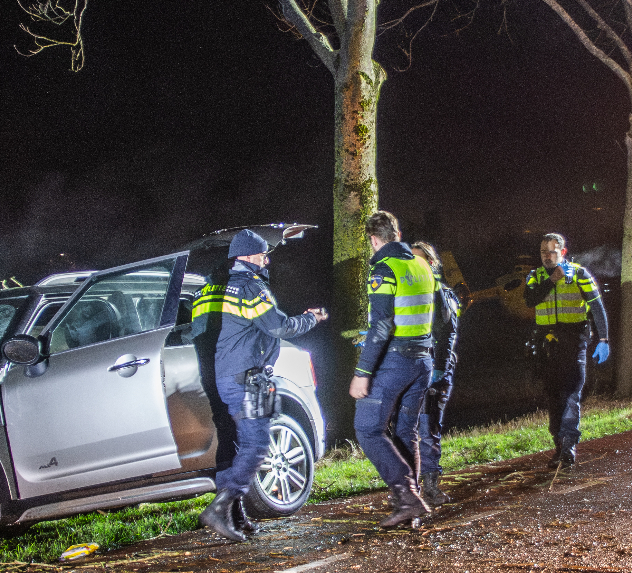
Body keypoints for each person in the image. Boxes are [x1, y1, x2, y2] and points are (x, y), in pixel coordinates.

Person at [190, 229, 328, 542]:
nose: (267, 260)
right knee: (257, 444)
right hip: (243, 378)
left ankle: (232, 516)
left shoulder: (217, 291)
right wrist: (312, 319)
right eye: (264, 254)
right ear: (251, 256)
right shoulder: (250, 287)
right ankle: (220, 508)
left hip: (226, 376)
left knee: (238, 444)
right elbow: (279, 326)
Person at [350, 211, 439, 528]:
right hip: (423, 361)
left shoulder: (384, 268)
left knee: (367, 428)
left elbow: (382, 326)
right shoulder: (421, 265)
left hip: (396, 361)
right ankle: (411, 508)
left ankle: (407, 498)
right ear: (396, 234)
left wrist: (362, 371)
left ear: (374, 240)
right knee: (406, 432)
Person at [522, 232, 610, 470]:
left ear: (563, 252)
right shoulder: (536, 276)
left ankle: (569, 446)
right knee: (552, 395)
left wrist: (603, 338)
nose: (547, 257)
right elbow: (530, 300)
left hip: (573, 342)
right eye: (543, 252)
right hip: (546, 346)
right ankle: (558, 445)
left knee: (570, 393)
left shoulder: (580, 274)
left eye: (551, 251)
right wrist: (551, 280)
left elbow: (596, 306)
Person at [410, 241, 462, 507]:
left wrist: (439, 370)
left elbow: (447, 335)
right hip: (412, 369)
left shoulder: (441, 293)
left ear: (431, 264)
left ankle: (430, 485)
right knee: (407, 428)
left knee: (428, 427)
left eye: (419, 260)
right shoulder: (409, 292)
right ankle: (410, 486)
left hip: (435, 371)